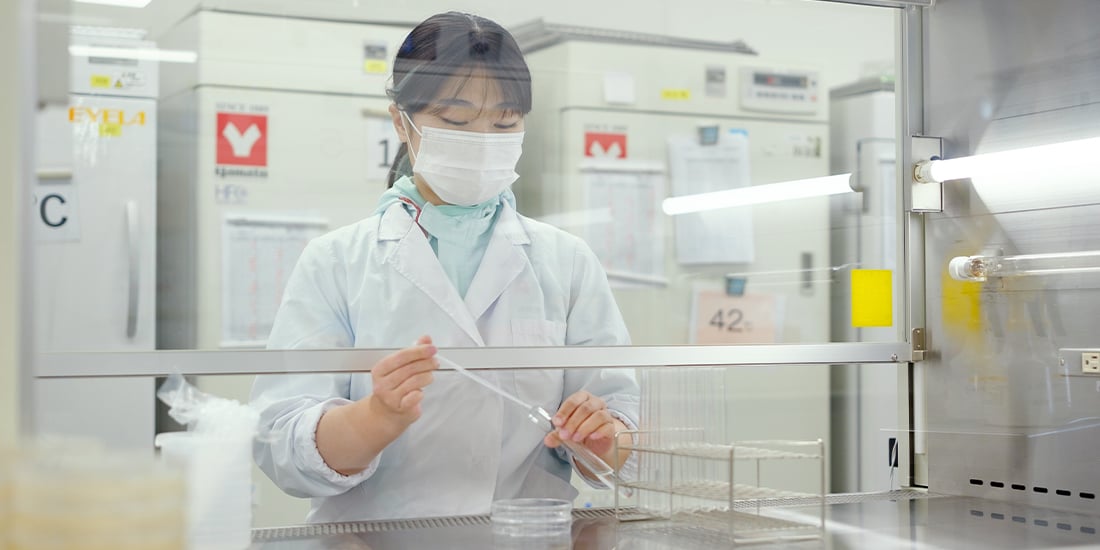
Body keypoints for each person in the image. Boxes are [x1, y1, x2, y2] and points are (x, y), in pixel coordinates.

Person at [251, 11, 639, 522]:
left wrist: (600, 437)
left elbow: (617, 427)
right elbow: (282, 443)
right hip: (375, 538)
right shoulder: (336, 262)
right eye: (456, 121)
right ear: (401, 122)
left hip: (523, 535)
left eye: (505, 123)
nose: (483, 139)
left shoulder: (566, 261)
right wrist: (374, 419)